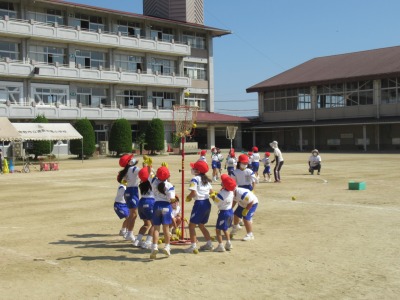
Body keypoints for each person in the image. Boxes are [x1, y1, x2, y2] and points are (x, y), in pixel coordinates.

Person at [184, 160, 214, 254]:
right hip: (207, 203)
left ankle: (193, 246)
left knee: (191, 226)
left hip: (199, 203)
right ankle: (209, 243)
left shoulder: (195, 179)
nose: (192, 169)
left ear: (198, 171)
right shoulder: (206, 180)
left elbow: (193, 192)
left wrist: (188, 197)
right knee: (201, 225)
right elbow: (211, 192)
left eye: (194, 168)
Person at [149, 166, 175, 259]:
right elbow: (172, 199)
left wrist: (150, 166)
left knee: (156, 228)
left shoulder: (154, 182)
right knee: (166, 229)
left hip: (156, 205)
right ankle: (167, 247)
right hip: (166, 206)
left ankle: (154, 247)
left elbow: (151, 174)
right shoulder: (169, 185)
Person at [118, 154, 140, 242]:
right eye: (131, 159)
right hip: (133, 191)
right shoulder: (133, 169)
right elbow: (144, 172)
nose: (133, 159)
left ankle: (128, 232)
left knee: (132, 214)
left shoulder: (126, 170)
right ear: (129, 162)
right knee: (134, 214)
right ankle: (129, 233)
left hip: (128, 191)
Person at [210, 174, 235, 252]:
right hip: (230, 211)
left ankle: (221, 245)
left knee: (218, 229)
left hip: (223, 213)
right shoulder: (231, 192)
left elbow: (216, 202)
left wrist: (212, 196)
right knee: (225, 229)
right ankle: (228, 243)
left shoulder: (222, 194)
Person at [134, 167, 155, 249]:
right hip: (150, 202)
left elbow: (145, 174)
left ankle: (137, 240)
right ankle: (148, 241)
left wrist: (146, 166)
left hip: (142, 202)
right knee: (154, 224)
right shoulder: (152, 183)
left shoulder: (141, 183)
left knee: (146, 224)